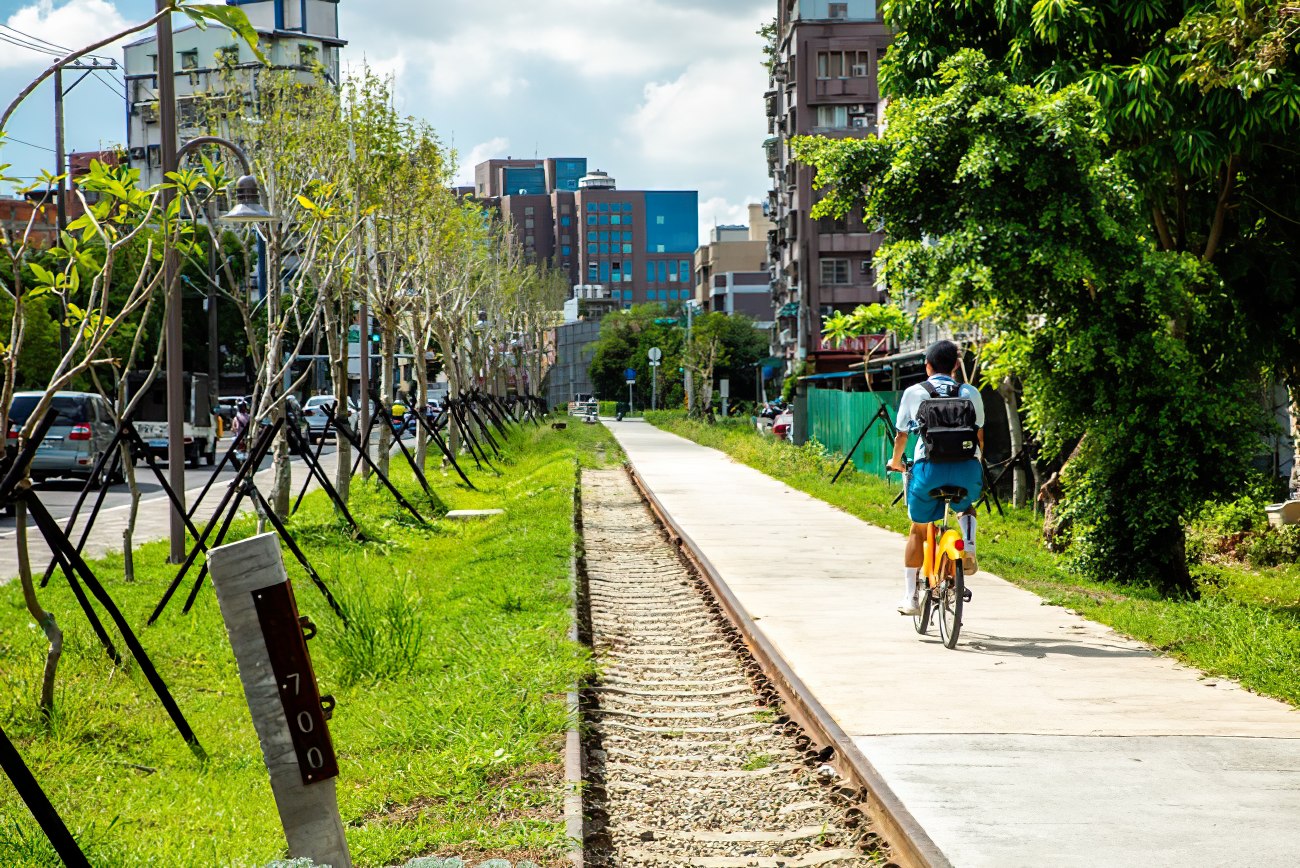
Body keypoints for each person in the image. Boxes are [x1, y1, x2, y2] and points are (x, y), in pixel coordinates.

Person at [885, 340, 984, 615]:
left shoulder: (915, 392)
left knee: (918, 528)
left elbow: (902, 435)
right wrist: (976, 464)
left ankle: (910, 598)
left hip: (928, 471)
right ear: (955, 366)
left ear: (927, 365)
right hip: (967, 469)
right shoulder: (970, 392)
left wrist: (895, 463)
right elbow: (979, 435)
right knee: (966, 506)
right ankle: (970, 545)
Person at [230, 401, 251, 469]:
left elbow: (233, 428)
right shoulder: (249, 417)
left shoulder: (236, 418)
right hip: (248, 437)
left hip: (239, 438)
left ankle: (239, 465)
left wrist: (235, 430)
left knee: (236, 451)